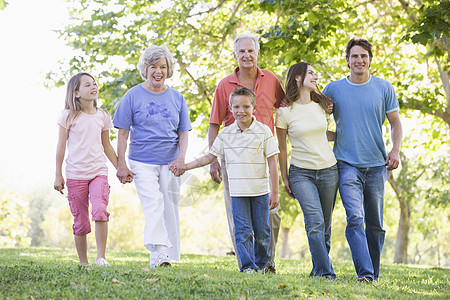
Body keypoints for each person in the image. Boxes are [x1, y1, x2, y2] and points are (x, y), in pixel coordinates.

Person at [171, 87, 279, 273]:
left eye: (246, 106)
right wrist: (185, 166)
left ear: (253, 106)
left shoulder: (264, 131)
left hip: (260, 191)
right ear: (230, 108)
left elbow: (272, 163)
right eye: (236, 106)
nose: (241, 110)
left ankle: (262, 265)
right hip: (238, 193)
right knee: (243, 232)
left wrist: (275, 192)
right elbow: (209, 157)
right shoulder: (226, 134)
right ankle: (248, 267)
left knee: (262, 233)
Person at [323, 38, 403, 282]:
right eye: (354, 56)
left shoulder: (384, 88)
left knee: (375, 224)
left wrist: (395, 150)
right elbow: (313, 119)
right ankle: (366, 274)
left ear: (370, 60)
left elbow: (396, 123)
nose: (359, 60)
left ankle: (373, 273)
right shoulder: (333, 89)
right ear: (347, 60)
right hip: (346, 164)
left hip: (377, 166)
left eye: (363, 56)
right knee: (354, 218)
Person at [208, 33, 285, 273]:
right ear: (235, 55)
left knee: (270, 215)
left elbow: (287, 108)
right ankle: (247, 265)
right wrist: (214, 161)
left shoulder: (271, 80)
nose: (246, 55)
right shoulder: (224, 85)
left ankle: (267, 263)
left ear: (258, 53)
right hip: (235, 160)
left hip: (265, 157)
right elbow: (214, 124)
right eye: (241, 51)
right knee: (238, 216)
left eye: (250, 51)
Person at [113, 45, 192, 268]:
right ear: (145, 69)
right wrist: (121, 164)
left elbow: (183, 132)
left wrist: (181, 159)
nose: (158, 71)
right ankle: (160, 253)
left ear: (169, 70)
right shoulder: (132, 95)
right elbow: (122, 133)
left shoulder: (177, 98)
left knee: (169, 206)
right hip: (141, 161)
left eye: (163, 67)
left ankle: (164, 253)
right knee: (153, 204)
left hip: (170, 161)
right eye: (153, 66)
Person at [276, 62, 338, 279]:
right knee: (315, 222)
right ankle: (326, 272)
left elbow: (324, 134)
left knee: (326, 227)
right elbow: (282, 149)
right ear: (297, 78)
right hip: (301, 173)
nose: (315, 76)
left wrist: (342, 137)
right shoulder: (284, 112)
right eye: (310, 73)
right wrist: (284, 178)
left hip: (329, 170)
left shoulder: (322, 104)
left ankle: (318, 268)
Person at [54, 72, 118, 267]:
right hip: (75, 175)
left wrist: (120, 168)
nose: (93, 87)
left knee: (100, 209)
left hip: (98, 171)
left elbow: (107, 146)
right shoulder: (67, 116)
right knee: (81, 221)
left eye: (94, 83)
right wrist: (58, 174)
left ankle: (101, 258)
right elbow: (61, 147)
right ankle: (84, 262)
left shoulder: (103, 116)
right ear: (75, 93)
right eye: (87, 84)